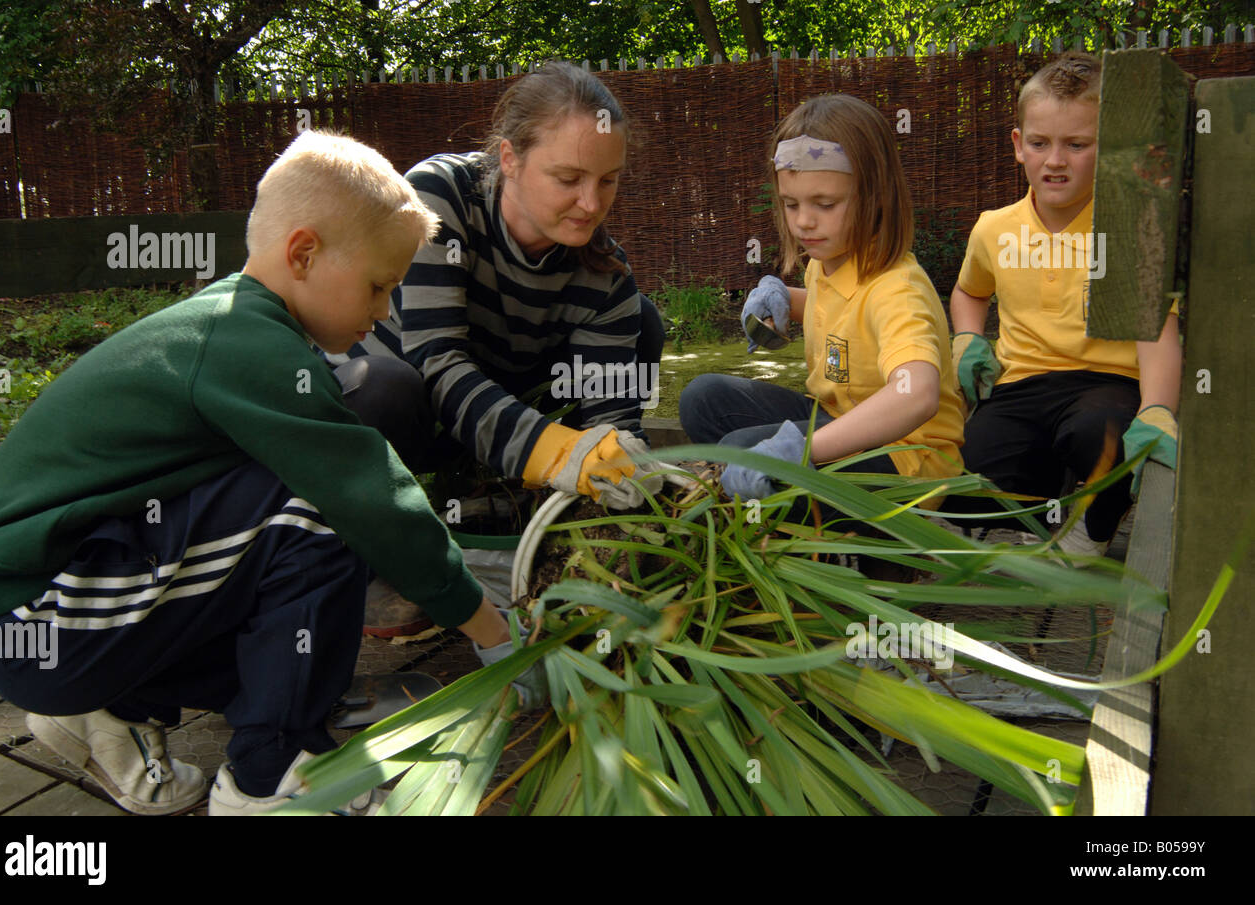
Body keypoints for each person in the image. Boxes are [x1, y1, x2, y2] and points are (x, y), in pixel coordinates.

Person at [0, 130, 530, 815]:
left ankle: (108, 708)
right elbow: (372, 494)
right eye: (379, 286)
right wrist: (495, 633)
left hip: (48, 611)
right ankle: (271, 775)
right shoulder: (246, 341)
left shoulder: (230, 325)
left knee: (280, 567)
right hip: (41, 619)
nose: (383, 313)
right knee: (325, 505)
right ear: (304, 252)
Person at [325, 61, 665, 510]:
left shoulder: (605, 278)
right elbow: (437, 363)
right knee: (383, 386)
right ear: (510, 159)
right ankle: (364, 522)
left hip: (480, 422)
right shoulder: (438, 199)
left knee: (643, 317)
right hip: (385, 408)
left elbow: (611, 421)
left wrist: (625, 465)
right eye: (568, 179)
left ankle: (517, 497)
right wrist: (557, 453)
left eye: (608, 181)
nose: (591, 203)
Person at [680, 94, 965, 511]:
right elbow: (836, 306)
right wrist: (778, 297)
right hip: (837, 419)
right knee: (702, 397)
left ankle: (870, 547)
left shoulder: (898, 290)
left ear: (876, 196)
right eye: (791, 204)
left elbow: (916, 395)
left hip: (908, 461)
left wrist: (803, 449)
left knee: (741, 449)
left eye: (824, 204)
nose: (803, 222)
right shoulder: (829, 260)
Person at [948, 53, 1181, 556]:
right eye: (1040, 143)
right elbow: (970, 290)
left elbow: (1156, 327)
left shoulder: (1127, 227)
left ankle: (1095, 528)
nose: (1055, 160)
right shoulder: (994, 227)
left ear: (1106, 150)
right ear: (1018, 146)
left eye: (1077, 145)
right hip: (1022, 383)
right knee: (968, 486)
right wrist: (967, 336)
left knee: (1105, 437)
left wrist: (1159, 407)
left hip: (1108, 382)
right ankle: (1043, 502)